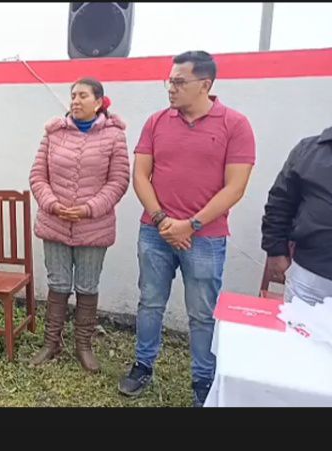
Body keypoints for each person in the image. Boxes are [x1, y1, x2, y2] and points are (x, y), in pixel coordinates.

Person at [119, 51, 256, 407]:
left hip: (205, 238)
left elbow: (235, 187)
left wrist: (191, 224)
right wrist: (162, 220)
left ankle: (203, 381)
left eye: (179, 82)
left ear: (205, 84)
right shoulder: (156, 122)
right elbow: (140, 175)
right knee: (150, 302)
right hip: (156, 233)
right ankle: (143, 365)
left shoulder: (235, 125)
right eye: (169, 81)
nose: (171, 88)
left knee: (202, 314)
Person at [29, 78, 130, 373]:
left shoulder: (114, 136)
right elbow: (38, 175)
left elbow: (119, 180)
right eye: (73, 95)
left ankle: (83, 345)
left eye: (82, 95)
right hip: (54, 222)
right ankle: (51, 342)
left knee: (87, 286)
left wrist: (88, 209)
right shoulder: (54, 133)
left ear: (98, 102)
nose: (75, 100)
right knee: (57, 284)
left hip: (93, 227)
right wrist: (51, 204)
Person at [262, 126, 332, 305]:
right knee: (297, 323)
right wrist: (276, 251)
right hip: (310, 277)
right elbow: (280, 203)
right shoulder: (309, 151)